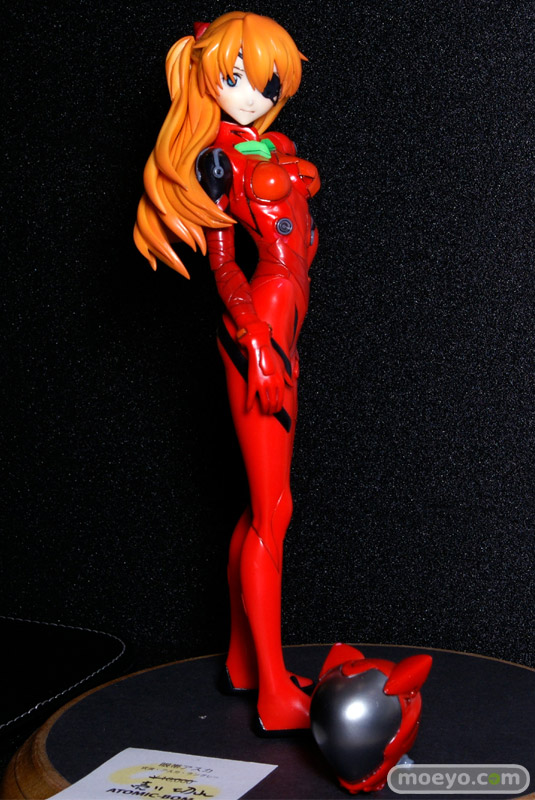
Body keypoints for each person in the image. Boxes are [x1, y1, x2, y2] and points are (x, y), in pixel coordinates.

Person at [134, 11, 320, 733]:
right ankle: (274, 692)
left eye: (267, 81)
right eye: (236, 77)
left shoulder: (262, 147)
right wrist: (255, 341)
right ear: (207, 73)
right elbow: (223, 267)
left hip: (282, 320)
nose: (252, 93)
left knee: (263, 506)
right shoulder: (216, 159)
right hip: (260, 324)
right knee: (273, 510)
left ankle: (245, 663)